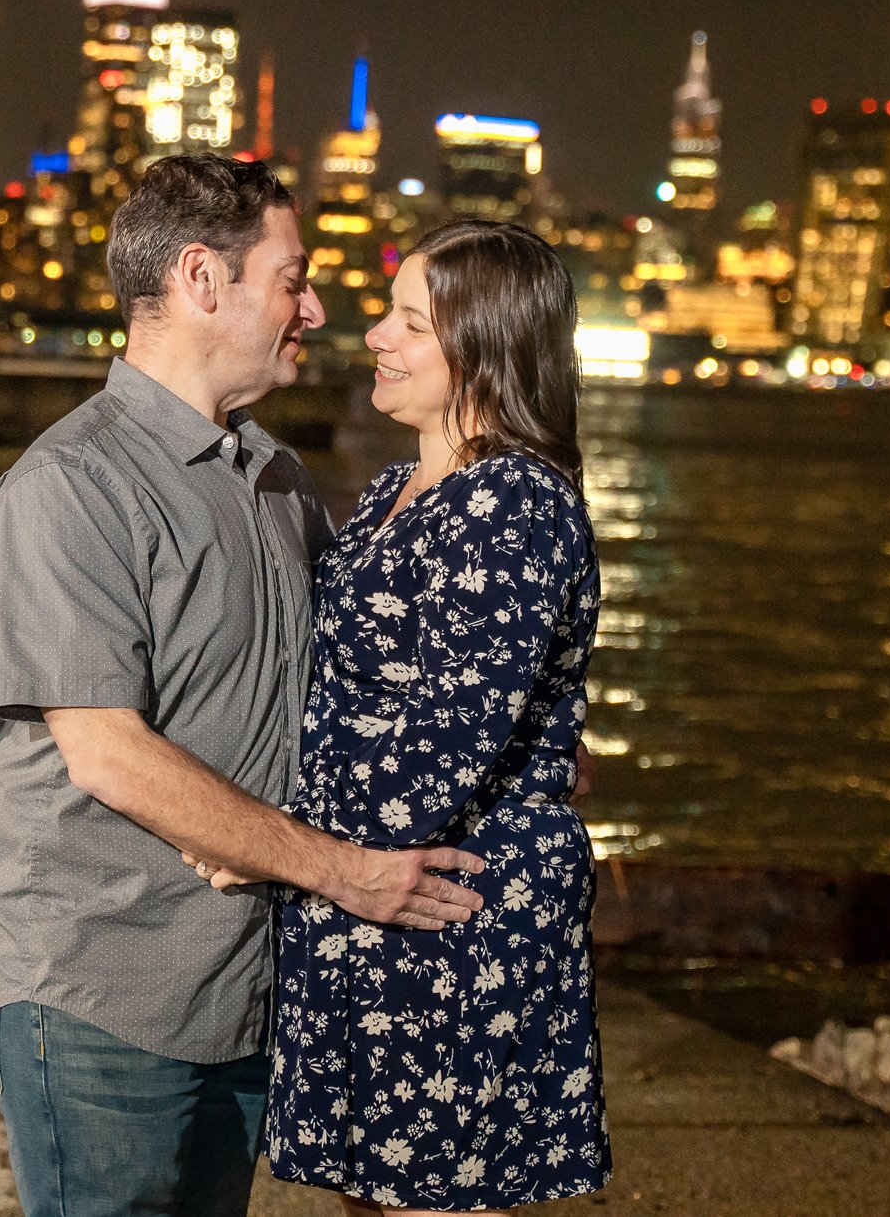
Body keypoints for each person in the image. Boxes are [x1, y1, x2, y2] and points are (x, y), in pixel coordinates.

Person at [0, 153, 491, 1217]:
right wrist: (345, 871)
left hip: (240, 976)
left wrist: (521, 740)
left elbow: (354, 693)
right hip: (97, 973)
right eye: (293, 278)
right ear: (203, 279)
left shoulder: (278, 482)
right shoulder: (71, 487)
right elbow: (106, 749)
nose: (317, 306)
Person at [221, 218, 610, 1213]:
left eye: (408, 323)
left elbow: (446, 740)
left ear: (481, 344)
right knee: (373, 1194)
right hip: (368, 898)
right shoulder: (401, 486)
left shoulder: (512, 498)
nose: (375, 340)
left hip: (450, 909)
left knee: (433, 1199)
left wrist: (265, 842)